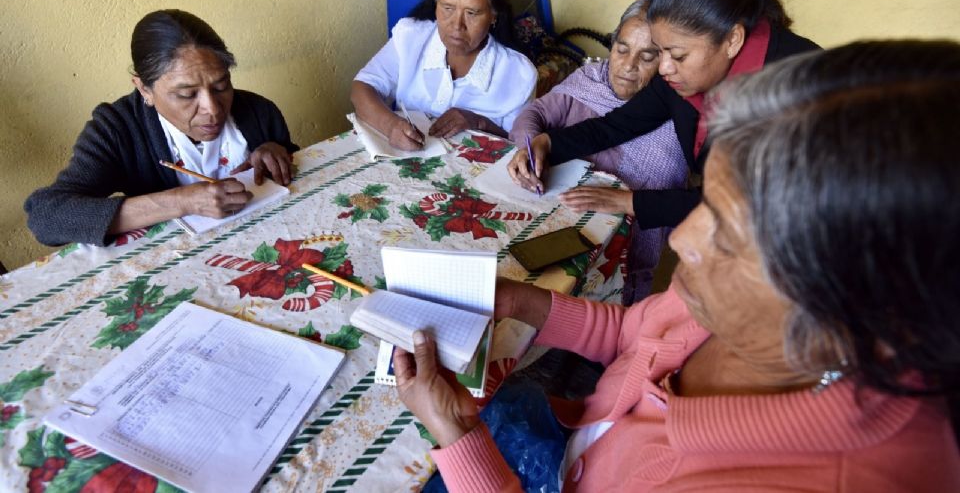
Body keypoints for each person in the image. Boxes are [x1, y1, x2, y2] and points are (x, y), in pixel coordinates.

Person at [393, 39, 960, 491]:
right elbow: (633, 333)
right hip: (580, 443)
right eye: (705, 201)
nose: (683, 239)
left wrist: (459, 434)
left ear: (871, 320)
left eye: (732, 239)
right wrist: (516, 299)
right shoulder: (726, 305)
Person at [508, 0, 818, 231]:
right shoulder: (685, 72)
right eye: (660, 52)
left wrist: (629, 202)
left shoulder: (800, 93)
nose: (664, 68)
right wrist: (547, 143)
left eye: (678, 56)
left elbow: (747, 205)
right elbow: (619, 124)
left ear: (733, 40)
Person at [24, 10, 297, 247]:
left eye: (221, 86)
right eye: (187, 95)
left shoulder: (257, 112)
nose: (212, 109)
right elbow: (46, 217)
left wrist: (276, 151)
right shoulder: (117, 130)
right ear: (145, 88)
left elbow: (293, 172)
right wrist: (180, 202)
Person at [510, 0, 686, 304]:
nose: (628, 66)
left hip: (616, 248)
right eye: (621, 49)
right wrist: (528, 147)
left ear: (666, 62)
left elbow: (668, 199)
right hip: (552, 220)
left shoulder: (676, 120)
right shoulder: (590, 79)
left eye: (647, 57)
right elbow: (533, 114)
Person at [351, 0, 537, 151]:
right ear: (436, 3)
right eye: (447, 8)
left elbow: (521, 146)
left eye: (472, 13)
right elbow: (362, 87)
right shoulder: (411, 36)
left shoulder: (519, 74)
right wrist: (390, 126)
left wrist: (478, 122)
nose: (457, 25)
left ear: (494, 15)